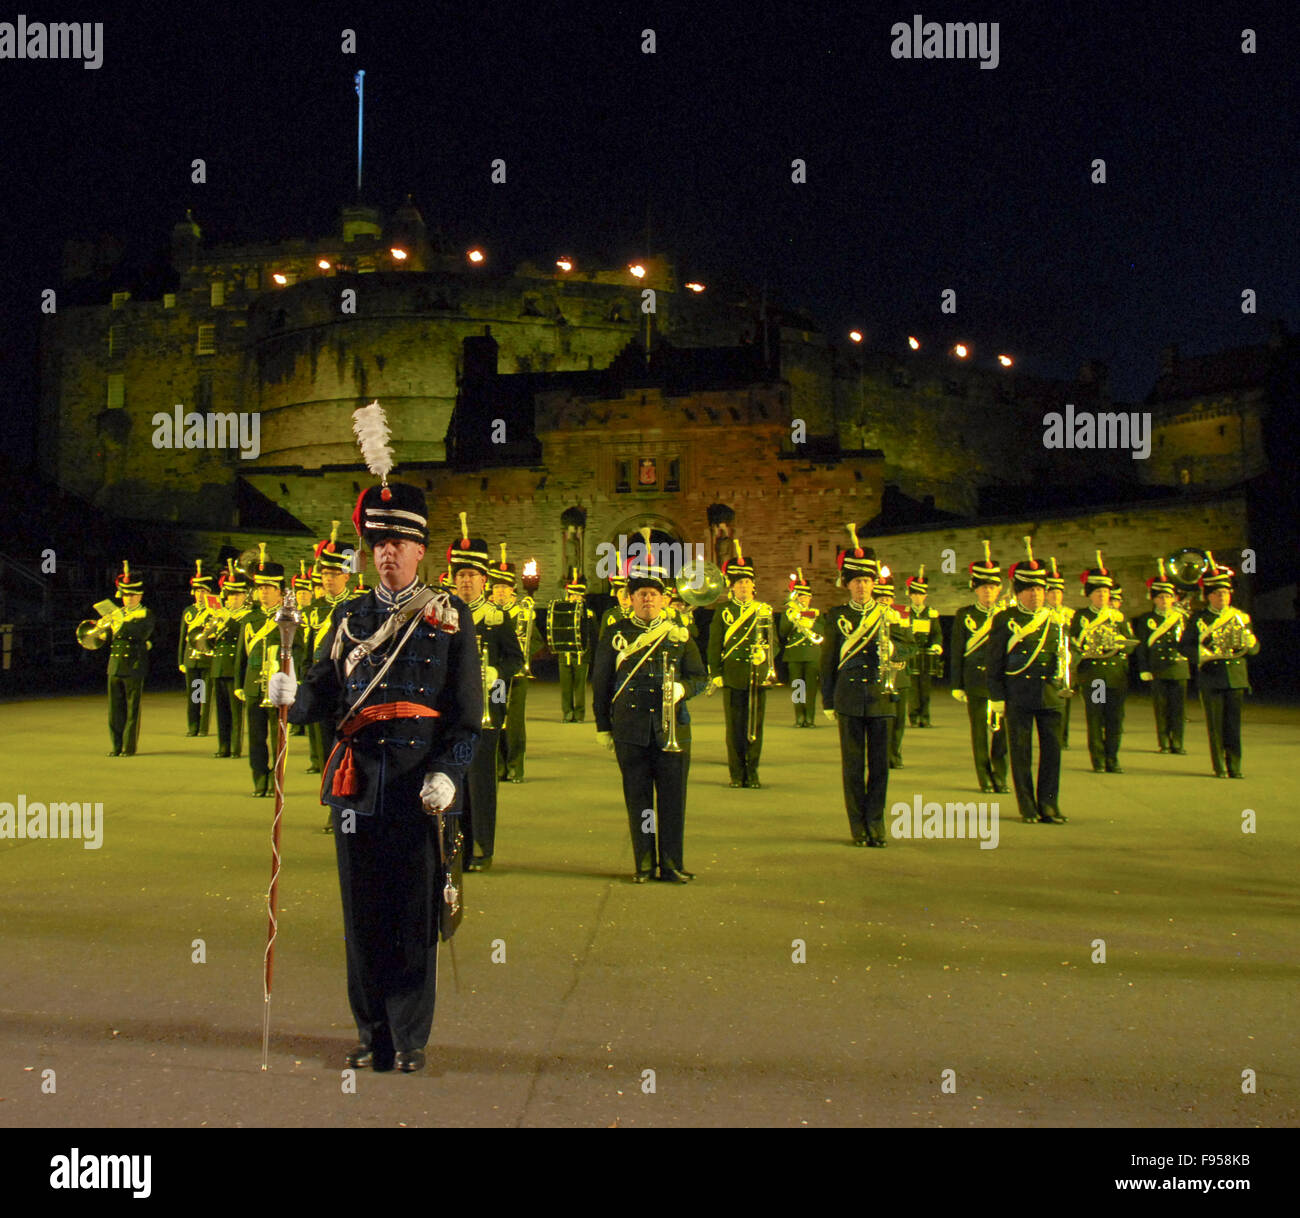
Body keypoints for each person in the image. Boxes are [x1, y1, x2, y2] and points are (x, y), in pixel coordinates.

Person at [273, 463, 482, 1074]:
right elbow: (321, 696)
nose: (388, 554)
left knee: (414, 917)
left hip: (421, 789)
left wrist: (450, 772)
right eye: (379, 544)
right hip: (358, 788)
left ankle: (410, 1037)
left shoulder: (450, 618)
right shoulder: (348, 618)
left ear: (421, 551)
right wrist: (289, 695)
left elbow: (467, 718)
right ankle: (373, 1034)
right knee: (362, 917)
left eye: (400, 544)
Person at [592, 557, 708, 881]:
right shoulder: (615, 634)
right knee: (640, 801)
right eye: (641, 592)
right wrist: (602, 725)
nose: (648, 599)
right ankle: (644, 862)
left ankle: (671, 863)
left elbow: (702, 676)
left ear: (665, 599)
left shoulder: (679, 634)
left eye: (654, 594)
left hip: (673, 728)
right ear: (630, 598)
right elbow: (601, 683)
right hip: (631, 730)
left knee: (673, 801)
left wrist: (684, 688)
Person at [819, 530, 908, 846]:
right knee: (854, 768)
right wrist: (828, 700)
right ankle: (858, 825)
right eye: (855, 581)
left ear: (874, 583)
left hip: (881, 696)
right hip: (850, 698)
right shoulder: (837, 616)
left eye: (866, 581)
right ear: (847, 584)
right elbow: (827, 661)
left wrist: (894, 649)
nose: (861, 586)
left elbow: (908, 646)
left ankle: (876, 822)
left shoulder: (889, 614)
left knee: (880, 768)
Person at [449, 518, 524, 869]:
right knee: (450, 779)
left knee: (480, 781)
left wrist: (498, 673)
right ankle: (454, 847)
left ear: (484, 580)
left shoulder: (496, 617)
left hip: (487, 708)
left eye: (472, 575)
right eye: (460, 574)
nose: (466, 580)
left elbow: (516, 660)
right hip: (449, 711)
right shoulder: (440, 615)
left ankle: (482, 847)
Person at [987, 541, 1070, 824]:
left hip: (1050, 693)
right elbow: (995, 660)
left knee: (1052, 753)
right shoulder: (1005, 619)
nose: (1035, 594)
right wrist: (997, 697)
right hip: (1018, 694)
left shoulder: (1055, 620)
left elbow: (1065, 654)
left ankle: (1049, 804)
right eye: (1029, 590)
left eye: (1039, 589)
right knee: (1021, 753)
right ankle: (1027, 806)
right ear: (1019, 592)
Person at [235, 547, 306, 797]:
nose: (263, 592)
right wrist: (239, 683)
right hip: (254, 685)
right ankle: (259, 778)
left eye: (268, 588)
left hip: (278, 686)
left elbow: (298, 652)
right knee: (256, 738)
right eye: (260, 588)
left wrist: (291, 681)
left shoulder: (288, 619)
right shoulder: (249, 619)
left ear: (279, 591)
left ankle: (276, 779)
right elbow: (241, 655)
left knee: (278, 739)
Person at [706, 544, 778, 788]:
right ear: (732, 587)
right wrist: (715, 673)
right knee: (734, 728)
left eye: (747, 582)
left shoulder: (764, 610)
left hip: (757, 674)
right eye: (739, 583)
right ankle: (736, 773)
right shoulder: (723, 611)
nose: (743, 587)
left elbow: (774, 643)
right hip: (733, 674)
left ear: (753, 585)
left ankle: (753, 771)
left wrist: (765, 656)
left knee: (754, 727)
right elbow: (715, 645)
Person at [1183, 556, 1260, 778]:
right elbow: (1185, 647)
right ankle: (1219, 766)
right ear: (1208, 596)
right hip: (1212, 676)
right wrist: (1203, 654)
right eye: (1217, 593)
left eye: (1225, 593)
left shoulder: (1240, 617)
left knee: (1233, 726)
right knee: (1216, 726)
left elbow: (1252, 647)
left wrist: (1251, 645)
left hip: (1235, 676)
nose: (1222, 596)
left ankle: (1235, 765)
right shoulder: (1199, 618)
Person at [1069, 552, 1137, 774]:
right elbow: (1075, 643)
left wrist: (1119, 643)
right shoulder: (1081, 616)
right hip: (1095, 674)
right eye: (1098, 592)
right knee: (1096, 719)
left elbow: (1130, 642)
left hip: (1116, 675)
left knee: (1115, 719)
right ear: (1090, 594)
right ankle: (1098, 759)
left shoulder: (1119, 616)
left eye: (1105, 592)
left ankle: (1112, 758)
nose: (1102, 595)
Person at [949, 541, 1009, 794]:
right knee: (979, 732)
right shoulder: (965, 614)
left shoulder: (1008, 615)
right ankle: (984, 776)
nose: (988, 591)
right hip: (975, 679)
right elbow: (957, 651)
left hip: (1003, 681)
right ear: (976, 589)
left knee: (1001, 732)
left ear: (999, 590)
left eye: (993, 587)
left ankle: (1000, 775)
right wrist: (956, 684)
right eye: (984, 587)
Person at [304, 524, 356, 787]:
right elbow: (305, 652)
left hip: (347, 690)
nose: (328, 579)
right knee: (324, 751)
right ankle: (328, 797)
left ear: (346, 576)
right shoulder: (313, 610)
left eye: (334, 573)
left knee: (346, 751)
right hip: (321, 687)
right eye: (325, 573)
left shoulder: (357, 608)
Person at [489, 545, 542, 783]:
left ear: (513, 591)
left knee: (516, 723)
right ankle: (499, 765)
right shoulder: (490, 614)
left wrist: (525, 653)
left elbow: (539, 640)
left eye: (505, 588)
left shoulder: (523, 613)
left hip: (518, 676)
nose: (501, 593)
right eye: (497, 588)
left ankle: (515, 766)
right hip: (497, 676)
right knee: (497, 719)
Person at [1131, 562, 1189, 754]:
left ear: (1173, 598)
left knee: (1178, 709)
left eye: (1168, 596)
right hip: (1157, 667)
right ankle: (1164, 741)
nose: (1164, 600)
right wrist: (1144, 668)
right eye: (1160, 597)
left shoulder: (1182, 617)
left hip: (1179, 666)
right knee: (1161, 708)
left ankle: (1178, 742)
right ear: (1154, 599)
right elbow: (1142, 646)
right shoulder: (1147, 619)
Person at [101, 560, 155, 757]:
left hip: (134, 664)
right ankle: (116, 745)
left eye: (132, 595)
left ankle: (128, 746)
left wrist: (118, 622)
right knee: (114, 710)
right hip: (114, 665)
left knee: (132, 709)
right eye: (125, 595)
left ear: (139, 595)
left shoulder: (145, 613)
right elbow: (107, 638)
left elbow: (139, 634)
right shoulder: (117, 615)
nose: (128, 599)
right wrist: (100, 630)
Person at [208, 560, 251, 759]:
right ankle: (222, 745)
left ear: (244, 596)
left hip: (234, 666)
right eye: (230, 595)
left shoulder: (246, 617)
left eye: (236, 595)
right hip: (218, 665)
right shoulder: (218, 614)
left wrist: (227, 621)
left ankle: (235, 746)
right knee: (222, 710)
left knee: (235, 712)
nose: (233, 599)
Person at [872, 573, 915, 768]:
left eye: (887, 599)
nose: (885, 602)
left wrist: (894, 651)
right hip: (877, 676)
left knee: (898, 720)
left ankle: (894, 754)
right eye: (881, 599)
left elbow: (911, 647)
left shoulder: (902, 617)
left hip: (899, 676)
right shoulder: (869, 620)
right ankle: (880, 755)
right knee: (880, 720)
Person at [776, 568, 823, 727]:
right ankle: (799, 717)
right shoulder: (788, 613)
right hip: (794, 654)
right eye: (800, 597)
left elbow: (823, 632)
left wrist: (811, 624)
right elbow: (782, 632)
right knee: (798, 687)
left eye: (806, 597)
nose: (803, 600)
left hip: (812, 654)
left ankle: (810, 717)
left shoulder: (815, 613)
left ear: (810, 598)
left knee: (810, 688)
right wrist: (792, 619)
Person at [549, 569, 596, 722]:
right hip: (565, 653)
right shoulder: (562, 610)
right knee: (566, 686)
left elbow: (593, 634)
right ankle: (567, 712)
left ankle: (580, 713)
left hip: (582, 654)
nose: (575, 598)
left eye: (578, 596)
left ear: (582, 598)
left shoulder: (589, 613)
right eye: (572, 595)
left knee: (580, 686)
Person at [177, 560, 216, 738]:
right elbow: (183, 637)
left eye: (204, 591)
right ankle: (192, 724)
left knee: (205, 695)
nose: (200, 595)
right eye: (198, 591)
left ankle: (203, 727)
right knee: (194, 693)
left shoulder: (214, 610)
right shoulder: (189, 611)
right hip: (191, 657)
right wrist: (181, 660)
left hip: (207, 656)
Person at [904, 567, 943, 727]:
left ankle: (925, 717)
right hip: (912, 654)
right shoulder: (905, 613)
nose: (918, 597)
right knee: (913, 688)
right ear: (910, 595)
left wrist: (936, 644)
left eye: (920, 594)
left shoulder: (931, 613)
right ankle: (913, 717)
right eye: (915, 594)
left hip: (926, 654)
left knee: (925, 688)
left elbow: (937, 633)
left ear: (925, 596)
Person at [1043, 559, 1074, 748]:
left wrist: (1072, 657)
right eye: (1051, 592)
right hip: (1047, 663)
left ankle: (1063, 738)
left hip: (1065, 664)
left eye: (1058, 592)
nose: (1055, 595)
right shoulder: (1041, 614)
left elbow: (1078, 641)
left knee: (1065, 706)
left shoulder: (1071, 614)